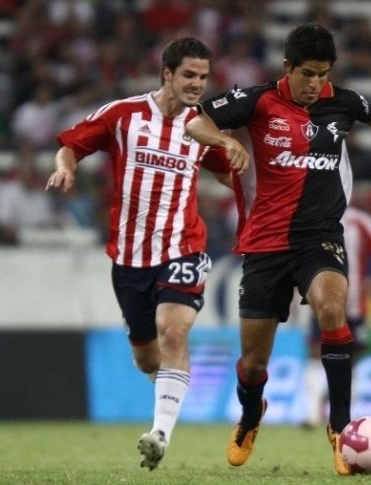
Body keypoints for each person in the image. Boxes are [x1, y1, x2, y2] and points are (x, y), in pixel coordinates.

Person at [184, 23, 371, 475]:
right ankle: (252, 415)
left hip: (320, 237)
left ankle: (340, 428)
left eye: (323, 74)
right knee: (253, 364)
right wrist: (225, 140)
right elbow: (196, 119)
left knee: (333, 310)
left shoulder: (340, 101)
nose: (316, 84)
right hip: (264, 244)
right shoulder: (255, 101)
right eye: (308, 74)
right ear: (287, 67)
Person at [46, 37, 236, 471]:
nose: (196, 84)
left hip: (183, 247)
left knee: (174, 333)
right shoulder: (123, 116)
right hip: (129, 258)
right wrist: (64, 167)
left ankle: (161, 433)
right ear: (166, 73)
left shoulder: (203, 128)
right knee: (148, 357)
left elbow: (234, 178)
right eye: (189, 74)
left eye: (203, 77)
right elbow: (71, 144)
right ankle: (170, 387)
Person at [302, 205, 371, 428]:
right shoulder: (314, 214)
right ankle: (312, 413)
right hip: (322, 299)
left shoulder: (362, 221)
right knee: (317, 352)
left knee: (351, 357)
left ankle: (342, 414)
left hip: (355, 305)